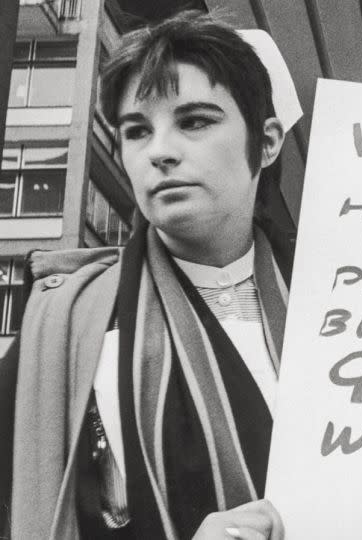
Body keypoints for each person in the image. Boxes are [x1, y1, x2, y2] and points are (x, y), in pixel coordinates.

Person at [5, 11, 302, 539]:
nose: (159, 151)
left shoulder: (345, 301)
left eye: (194, 121)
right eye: (137, 131)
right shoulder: (65, 323)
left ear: (268, 140)